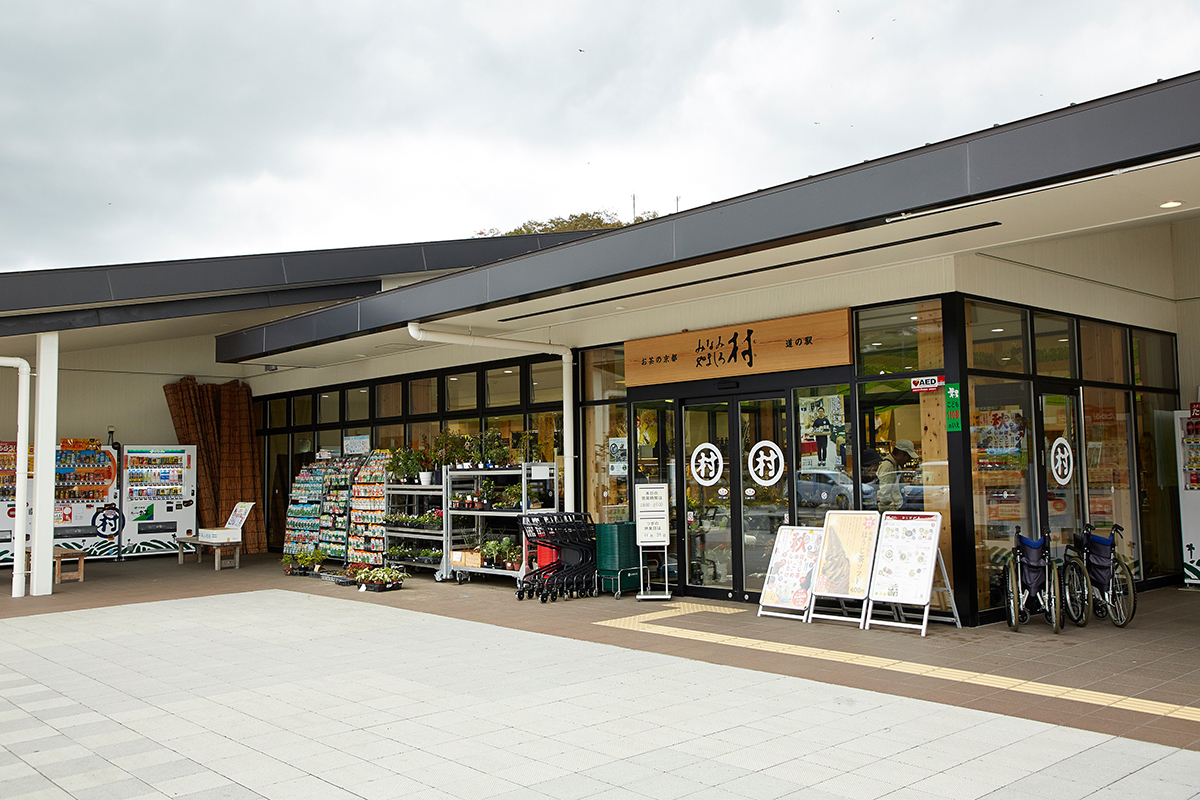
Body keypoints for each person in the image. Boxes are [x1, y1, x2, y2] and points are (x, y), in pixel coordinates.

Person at [877, 439, 917, 512]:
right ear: (901, 453)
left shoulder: (896, 466)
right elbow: (884, 495)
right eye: (908, 457)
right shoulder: (888, 466)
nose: (908, 460)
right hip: (891, 510)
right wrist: (892, 512)